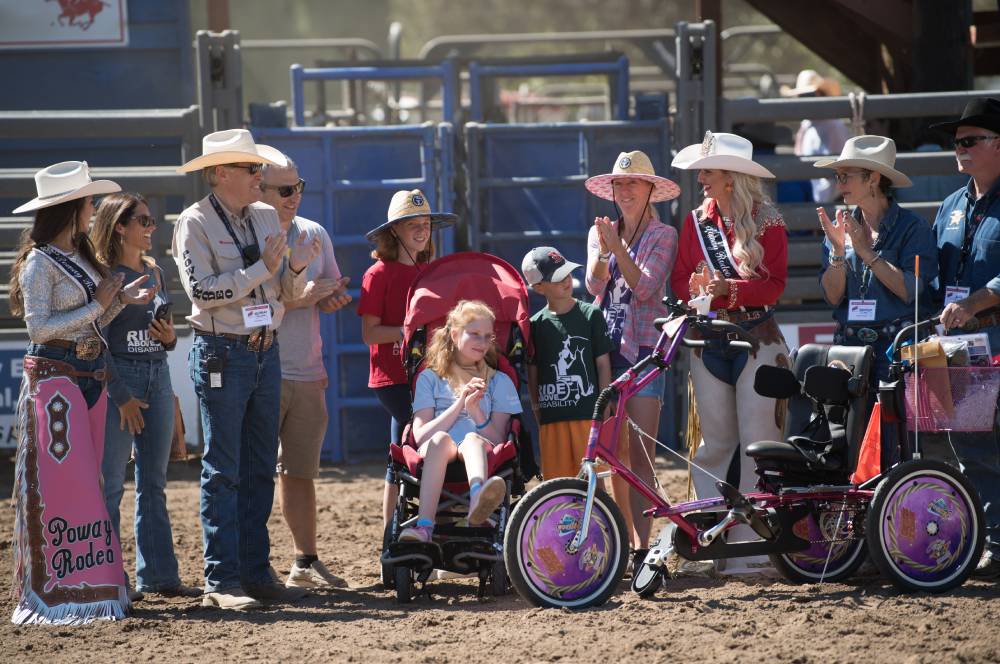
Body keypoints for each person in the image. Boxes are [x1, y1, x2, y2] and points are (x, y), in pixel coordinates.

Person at [173, 129, 321, 610]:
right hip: (223, 351)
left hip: (262, 348)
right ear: (221, 174)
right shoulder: (193, 223)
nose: (260, 175)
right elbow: (203, 292)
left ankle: (256, 574)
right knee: (225, 469)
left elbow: (285, 293)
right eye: (250, 168)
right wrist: (266, 270)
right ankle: (221, 581)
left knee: (259, 468)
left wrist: (295, 269)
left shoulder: (261, 216)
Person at [9, 161, 157, 624]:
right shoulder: (40, 261)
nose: (94, 211)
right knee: (71, 484)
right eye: (90, 203)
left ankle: (89, 579)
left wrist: (116, 303)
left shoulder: (75, 256)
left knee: (86, 482)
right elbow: (38, 327)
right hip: (59, 379)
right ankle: (67, 584)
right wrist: (100, 302)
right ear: (72, 208)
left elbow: (92, 324)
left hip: (86, 376)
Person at [669, 131, 789, 577]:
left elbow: (775, 285)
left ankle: (753, 550)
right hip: (710, 338)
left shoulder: (769, 223)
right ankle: (711, 543)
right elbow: (680, 279)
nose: (701, 178)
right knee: (714, 444)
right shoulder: (695, 222)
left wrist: (728, 290)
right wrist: (698, 289)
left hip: (757, 337)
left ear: (731, 177)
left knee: (758, 445)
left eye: (709, 171)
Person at [91, 192, 201, 600]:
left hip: (156, 374)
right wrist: (120, 395)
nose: (152, 228)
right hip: (120, 379)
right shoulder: (105, 276)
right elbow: (95, 336)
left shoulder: (155, 271)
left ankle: (158, 577)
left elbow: (163, 330)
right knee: (112, 486)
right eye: (144, 221)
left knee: (153, 482)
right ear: (120, 226)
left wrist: (170, 339)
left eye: (152, 221)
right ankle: (109, 579)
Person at [260, 156, 352, 590]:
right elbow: (246, 309)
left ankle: (305, 560)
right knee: (255, 471)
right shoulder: (250, 235)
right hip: (259, 366)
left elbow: (329, 286)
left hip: (306, 368)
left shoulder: (314, 233)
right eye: (284, 190)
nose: (293, 196)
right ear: (258, 190)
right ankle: (252, 564)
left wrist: (331, 297)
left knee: (300, 471)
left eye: (298, 186)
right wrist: (301, 298)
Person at [584, 150, 679, 567]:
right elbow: (592, 284)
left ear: (649, 190)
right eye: (619, 184)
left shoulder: (664, 235)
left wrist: (615, 246)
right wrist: (603, 253)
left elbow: (645, 288)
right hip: (608, 348)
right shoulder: (601, 232)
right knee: (609, 451)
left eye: (632, 183)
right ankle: (618, 541)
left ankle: (641, 546)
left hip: (644, 350)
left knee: (639, 454)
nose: (624, 190)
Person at [927, 98, 1000, 577]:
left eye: (970, 140)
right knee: (970, 443)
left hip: (992, 335)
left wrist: (976, 301)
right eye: (956, 142)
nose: (960, 149)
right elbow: (934, 275)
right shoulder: (952, 205)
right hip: (964, 347)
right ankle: (990, 539)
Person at [356, 189, 456, 531]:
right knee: (424, 443)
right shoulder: (377, 274)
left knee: (402, 452)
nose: (421, 230)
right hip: (394, 378)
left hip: (431, 376)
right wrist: (408, 331)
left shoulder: (432, 272)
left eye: (426, 223)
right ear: (393, 230)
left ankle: (401, 532)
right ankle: (396, 531)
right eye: (411, 223)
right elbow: (370, 334)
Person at [815, 135, 939, 386]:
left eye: (845, 176)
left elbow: (910, 290)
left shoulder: (912, 227)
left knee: (895, 424)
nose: (840, 185)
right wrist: (838, 251)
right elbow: (832, 296)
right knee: (849, 426)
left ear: (873, 178)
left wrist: (866, 252)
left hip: (898, 349)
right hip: (849, 348)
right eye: (838, 177)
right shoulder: (841, 227)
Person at [397, 300, 523, 542]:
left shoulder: (500, 382)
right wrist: (460, 403)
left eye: (488, 336)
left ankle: (479, 501)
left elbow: (499, 441)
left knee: (472, 439)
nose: (483, 343)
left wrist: (475, 412)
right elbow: (420, 436)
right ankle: (424, 526)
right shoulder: (429, 378)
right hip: (436, 450)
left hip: (480, 451)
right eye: (474, 334)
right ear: (454, 334)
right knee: (440, 439)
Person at [522, 246, 613, 480]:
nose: (566, 280)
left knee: (594, 482)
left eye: (567, 273)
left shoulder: (591, 315)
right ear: (538, 287)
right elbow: (532, 371)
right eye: (557, 277)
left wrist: (604, 405)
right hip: (552, 420)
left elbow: (603, 364)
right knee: (558, 485)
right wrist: (536, 408)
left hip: (588, 416)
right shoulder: (534, 325)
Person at [782, 69, 851, 204]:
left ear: (820, 94)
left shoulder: (834, 126)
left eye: (808, 95)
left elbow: (844, 169)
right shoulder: (806, 125)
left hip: (831, 201)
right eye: (801, 96)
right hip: (811, 197)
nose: (803, 100)